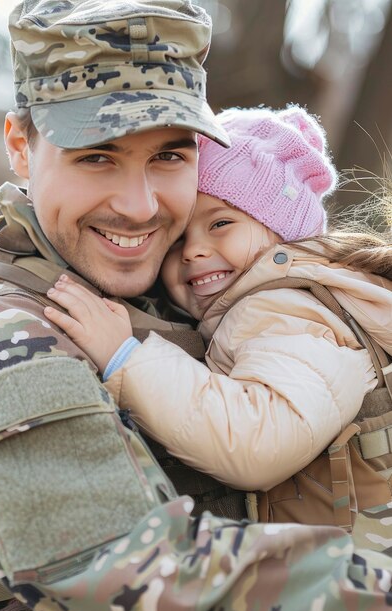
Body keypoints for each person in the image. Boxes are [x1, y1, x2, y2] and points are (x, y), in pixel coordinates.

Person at [0, 1, 392, 611]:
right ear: (21, 146)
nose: (140, 205)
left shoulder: (184, 292)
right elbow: (146, 585)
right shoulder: (0, 340)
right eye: (97, 155)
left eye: (170, 157)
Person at [44, 104, 392, 546]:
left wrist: (125, 358)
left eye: (221, 223)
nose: (193, 251)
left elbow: (257, 445)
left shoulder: (285, 311)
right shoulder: (277, 301)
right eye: (177, 240)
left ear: (283, 233)